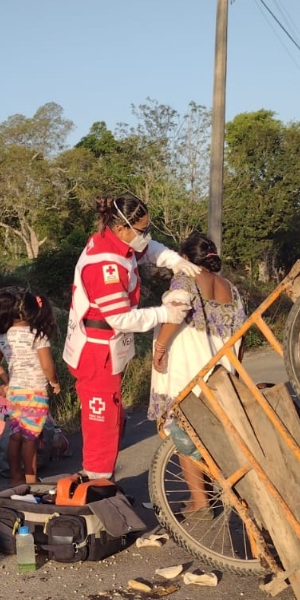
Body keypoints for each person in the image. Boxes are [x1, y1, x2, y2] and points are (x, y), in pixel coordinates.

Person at [62, 195, 197, 480]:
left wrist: (173, 260)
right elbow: (120, 318)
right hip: (96, 350)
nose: (145, 236)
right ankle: (97, 483)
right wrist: (164, 314)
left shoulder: (112, 240)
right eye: (141, 230)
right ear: (123, 228)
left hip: (105, 345)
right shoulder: (105, 265)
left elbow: (147, 249)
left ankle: (102, 477)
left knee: (111, 415)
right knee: (102, 420)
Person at [147, 232, 247, 512]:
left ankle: (200, 500)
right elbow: (242, 333)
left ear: (186, 258)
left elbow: (177, 312)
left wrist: (160, 348)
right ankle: (213, 491)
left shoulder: (185, 277)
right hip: (220, 367)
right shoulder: (230, 287)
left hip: (187, 363)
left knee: (182, 432)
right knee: (208, 431)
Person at [0, 291, 61, 485]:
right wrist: (54, 382)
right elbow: (47, 366)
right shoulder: (38, 335)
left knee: (15, 437)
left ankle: (15, 478)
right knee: (30, 439)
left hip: (15, 394)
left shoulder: (3, 337)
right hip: (35, 393)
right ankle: (31, 480)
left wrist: (6, 381)